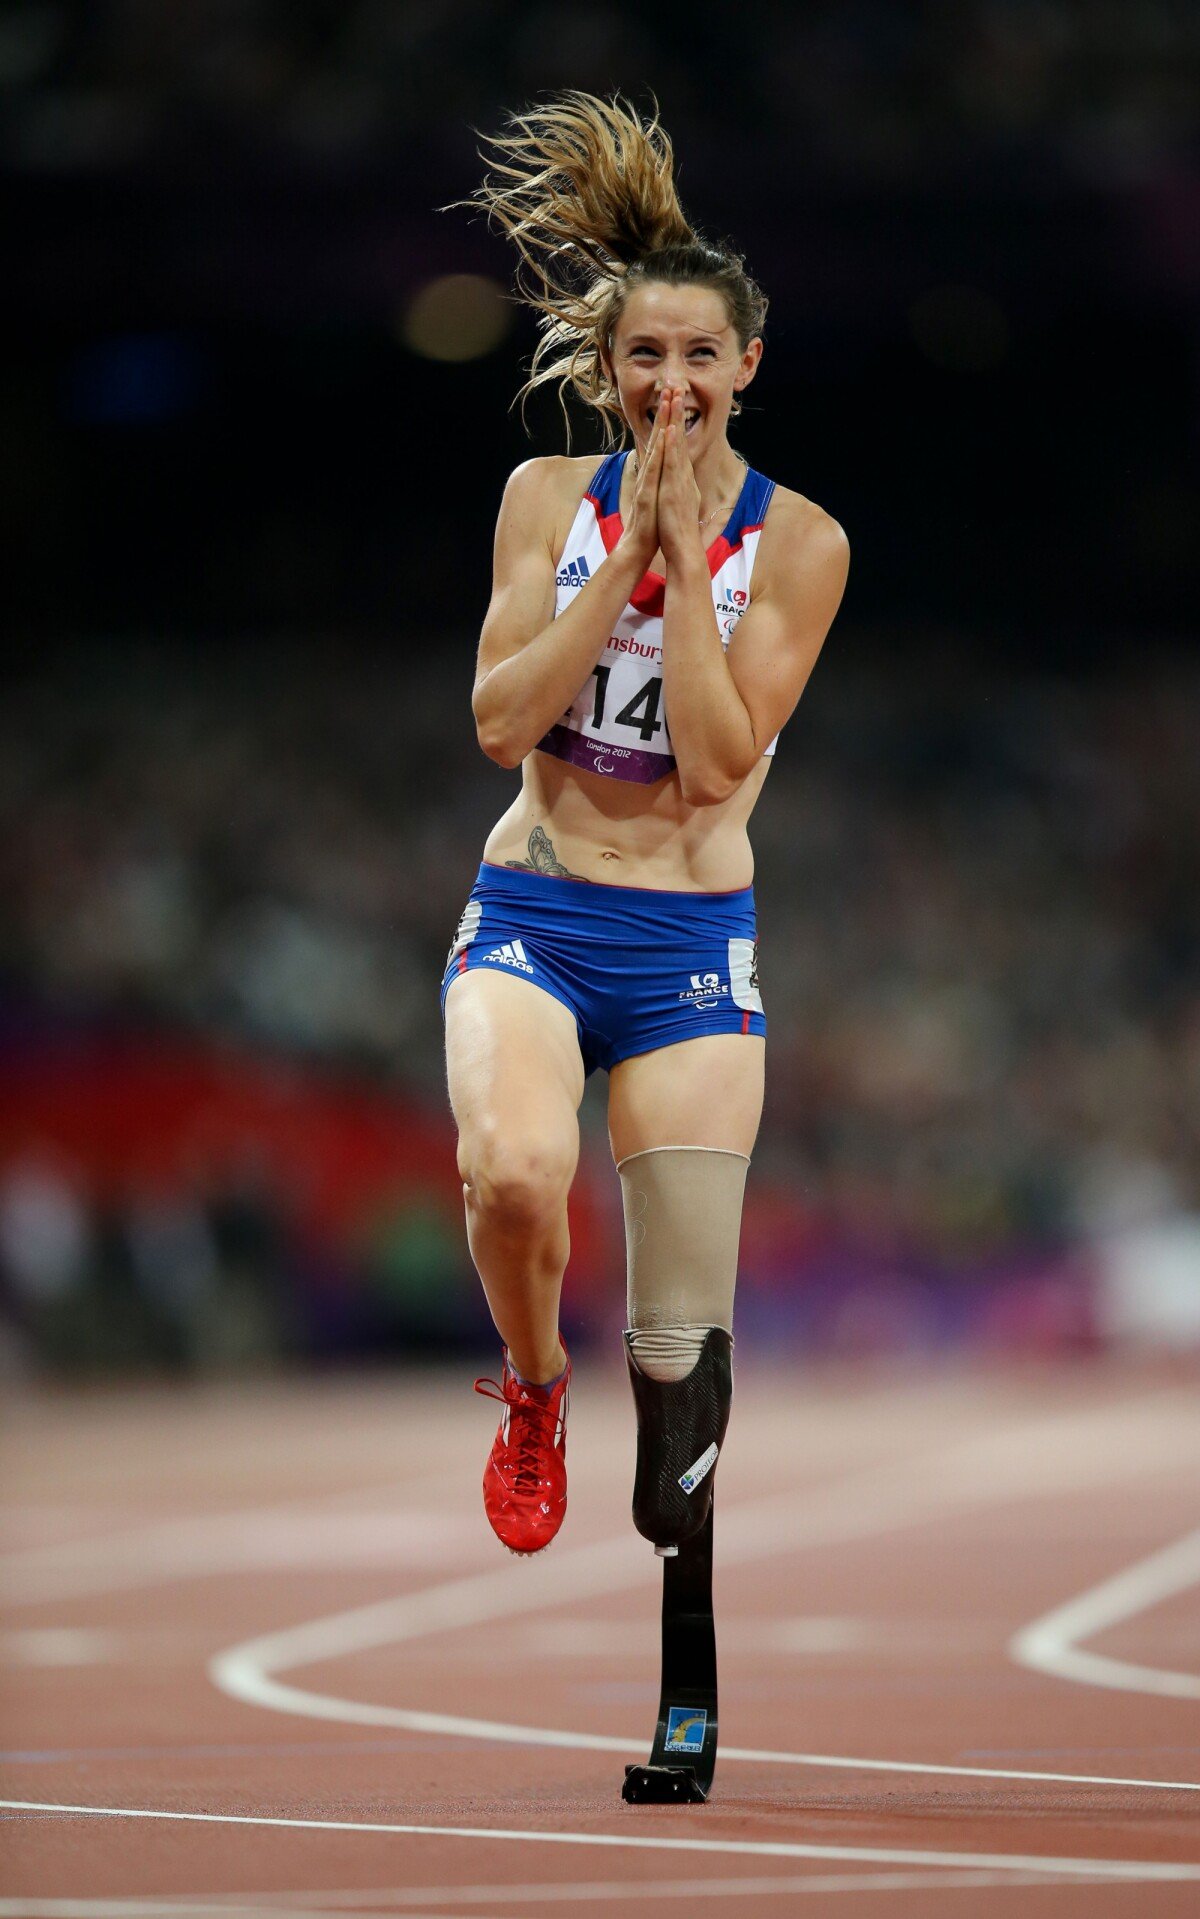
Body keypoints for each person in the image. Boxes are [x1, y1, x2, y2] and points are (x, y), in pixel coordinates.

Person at [442, 92, 849, 1556]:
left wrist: (689, 559)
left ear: (745, 362)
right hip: (538, 913)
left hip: (686, 938)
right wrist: (622, 572)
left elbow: (718, 763)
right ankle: (537, 1387)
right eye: (644, 357)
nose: (672, 382)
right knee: (511, 1177)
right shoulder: (547, 499)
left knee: (679, 1339)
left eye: (699, 355)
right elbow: (500, 722)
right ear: (610, 371)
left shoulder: (801, 544)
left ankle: (662, 1497)